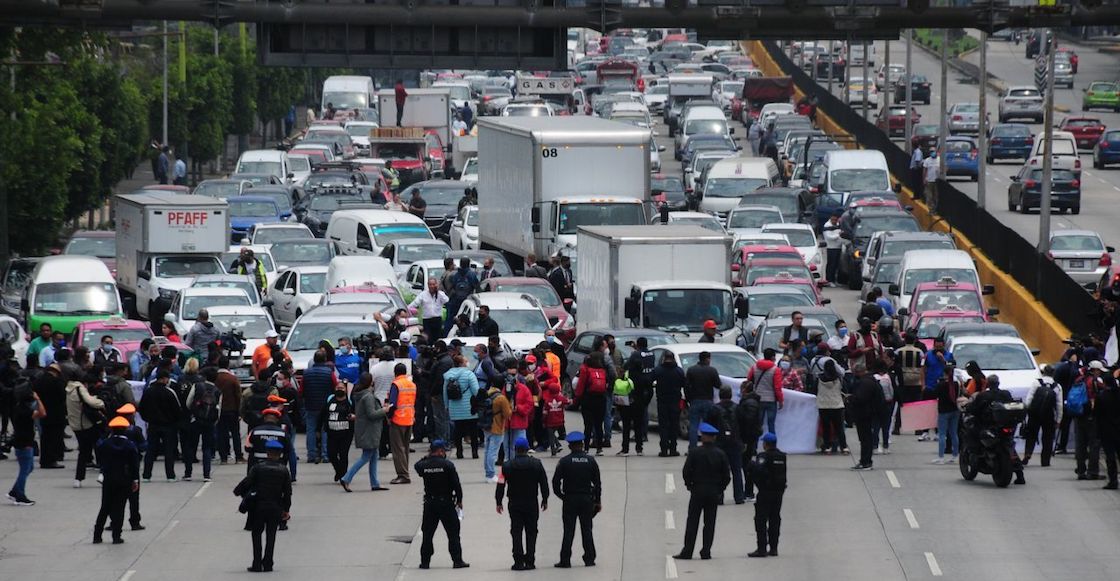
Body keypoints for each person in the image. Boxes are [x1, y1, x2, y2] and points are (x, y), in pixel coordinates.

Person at [674, 422, 731, 560]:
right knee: (710, 523)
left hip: (698, 490)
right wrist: (720, 489)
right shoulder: (720, 454)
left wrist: (690, 485)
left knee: (692, 522)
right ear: (714, 438)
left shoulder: (695, 452)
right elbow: (726, 476)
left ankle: (687, 551)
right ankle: (706, 551)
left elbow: (686, 471)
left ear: (703, 437)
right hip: (713, 492)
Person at [235, 439, 293, 573]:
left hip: (258, 507)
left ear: (267, 453)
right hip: (275, 507)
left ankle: (256, 563)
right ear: (280, 454)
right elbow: (288, 493)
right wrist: (286, 509)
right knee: (271, 535)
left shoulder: (258, 468)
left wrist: (242, 494)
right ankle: (268, 563)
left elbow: (246, 483)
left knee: (256, 534)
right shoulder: (284, 470)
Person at [496, 437, 550, 570]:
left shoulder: (506, 466)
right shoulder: (537, 464)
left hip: (514, 503)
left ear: (515, 450)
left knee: (516, 531)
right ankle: (530, 560)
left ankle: (518, 561)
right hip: (531, 502)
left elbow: (500, 484)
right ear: (527, 449)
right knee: (531, 531)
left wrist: (499, 501)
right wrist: (545, 499)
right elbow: (544, 483)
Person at [415, 440, 469, 569]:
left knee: (427, 534)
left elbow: (417, 466)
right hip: (446, 503)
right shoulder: (448, 465)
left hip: (430, 503)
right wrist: (460, 500)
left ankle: (425, 562)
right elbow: (456, 484)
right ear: (440, 451)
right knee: (453, 533)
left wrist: (428, 457)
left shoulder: (424, 465)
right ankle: (457, 560)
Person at [552, 431, 601, 568]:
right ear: (582, 444)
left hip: (570, 499)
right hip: (586, 499)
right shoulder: (590, 461)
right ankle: (589, 558)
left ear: (569, 446)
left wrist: (562, 496)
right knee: (587, 529)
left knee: (568, 530)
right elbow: (597, 483)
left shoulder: (564, 461)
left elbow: (555, 482)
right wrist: (597, 501)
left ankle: (565, 560)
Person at [92, 416, 140, 544]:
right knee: (120, 508)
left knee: (105, 507)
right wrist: (135, 480)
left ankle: (97, 535)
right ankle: (116, 536)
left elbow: (100, 457)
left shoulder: (105, 444)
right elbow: (134, 465)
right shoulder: (130, 445)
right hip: (124, 479)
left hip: (109, 479)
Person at [340, 373, 388, 492]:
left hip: (365, 429)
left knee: (374, 456)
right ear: (370, 382)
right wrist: (384, 410)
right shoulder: (368, 396)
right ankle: (346, 478)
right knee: (366, 456)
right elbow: (371, 414)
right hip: (370, 430)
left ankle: (375, 482)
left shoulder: (359, 395)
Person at [747, 433, 787, 558]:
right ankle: (774, 548)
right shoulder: (782, 456)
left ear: (765, 444)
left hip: (765, 491)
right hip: (779, 492)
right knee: (775, 519)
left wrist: (751, 466)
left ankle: (762, 548)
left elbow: (759, 470)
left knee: (761, 520)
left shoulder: (763, 456)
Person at [139, 370, 181, 481]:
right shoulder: (169, 392)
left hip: (153, 424)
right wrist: (174, 422)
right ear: (165, 379)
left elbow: (141, 408)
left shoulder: (148, 392)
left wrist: (147, 419)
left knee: (151, 450)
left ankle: (146, 475)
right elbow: (177, 410)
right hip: (168, 426)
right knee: (169, 451)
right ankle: (170, 475)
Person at [66, 372, 106, 488]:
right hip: (86, 424)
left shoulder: (68, 390)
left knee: (83, 452)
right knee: (101, 448)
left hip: (76, 425)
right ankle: (102, 474)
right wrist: (101, 402)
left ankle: (78, 479)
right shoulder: (80, 388)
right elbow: (91, 402)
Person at [7, 384, 45, 506]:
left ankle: (14, 491)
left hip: (20, 441)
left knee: (29, 468)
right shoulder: (26, 411)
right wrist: (38, 399)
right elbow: (42, 413)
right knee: (24, 470)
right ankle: (20, 496)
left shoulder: (17, 407)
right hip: (25, 442)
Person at [183, 367, 222, 481]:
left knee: (191, 446)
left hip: (196, 420)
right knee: (207, 448)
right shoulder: (218, 391)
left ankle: (188, 473)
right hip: (209, 422)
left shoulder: (197, 386)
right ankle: (206, 474)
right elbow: (219, 409)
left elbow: (188, 402)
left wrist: (193, 412)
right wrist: (214, 420)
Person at [444, 354, 481, 459]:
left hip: (455, 407)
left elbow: (445, 392)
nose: (467, 362)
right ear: (462, 363)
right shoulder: (469, 374)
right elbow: (476, 391)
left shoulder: (448, 375)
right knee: (473, 431)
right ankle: (474, 452)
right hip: (469, 407)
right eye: (465, 361)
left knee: (458, 430)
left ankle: (459, 452)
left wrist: (447, 405)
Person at [318, 380, 354, 482]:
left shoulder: (349, 402)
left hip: (346, 433)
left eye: (342, 388)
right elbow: (322, 414)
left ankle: (343, 475)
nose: (339, 390)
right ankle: (339, 471)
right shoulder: (330, 400)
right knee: (331, 454)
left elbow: (356, 413)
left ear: (346, 390)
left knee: (343, 454)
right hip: (332, 433)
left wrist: (353, 416)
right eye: (338, 388)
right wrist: (318, 429)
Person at [850, 367, 885, 470]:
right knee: (866, 438)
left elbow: (861, 398)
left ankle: (865, 462)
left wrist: (851, 398)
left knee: (865, 439)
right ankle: (865, 461)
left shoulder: (865, 383)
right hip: (870, 413)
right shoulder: (871, 381)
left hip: (864, 413)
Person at [684, 351, 721, 449]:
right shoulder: (712, 370)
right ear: (707, 359)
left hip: (695, 400)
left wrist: (689, 399)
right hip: (708, 400)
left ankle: (692, 448)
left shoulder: (691, 370)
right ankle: (708, 446)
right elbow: (718, 385)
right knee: (708, 425)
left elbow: (686, 386)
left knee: (693, 426)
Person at [388, 363, 417, 484]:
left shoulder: (396, 384)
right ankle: (405, 471)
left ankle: (403, 475)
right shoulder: (412, 384)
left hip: (398, 419)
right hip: (409, 418)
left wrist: (389, 417)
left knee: (398, 449)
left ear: (395, 372)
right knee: (405, 448)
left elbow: (392, 404)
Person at [1023, 377, 1063, 467]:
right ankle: (1045, 460)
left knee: (1031, 434)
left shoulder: (1036, 383)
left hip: (1034, 413)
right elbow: (1059, 405)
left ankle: (1028, 453)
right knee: (1048, 438)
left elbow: (1029, 399)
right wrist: (1058, 420)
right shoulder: (1057, 387)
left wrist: (1027, 411)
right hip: (1049, 415)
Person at [575, 352, 610, 455]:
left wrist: (577, 399)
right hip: (601, 400)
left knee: (588, 425)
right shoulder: (602, 371)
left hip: (588, 399)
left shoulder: (585, 370)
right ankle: (599, 448)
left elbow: (580, 386)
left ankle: (586, 448)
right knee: (599, 425)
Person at [33, 363, 67, 468]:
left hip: (43, 410)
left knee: (45, 437)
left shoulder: (39, 380)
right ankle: (51, 459)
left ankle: (45, 460)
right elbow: (62, 395)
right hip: (56, 413)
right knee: (54, 437)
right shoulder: (56, 381)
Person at [654, 351, 686, 457]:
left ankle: (664, 449)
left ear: (664, 358)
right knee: (674, 425)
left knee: (663, 426)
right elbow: (684, 384)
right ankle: (673, 449)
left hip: (662, 401)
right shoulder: (679, 371)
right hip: (675, 401)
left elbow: (650, 380)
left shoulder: (658, 370)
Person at [482, 377, 514, 482]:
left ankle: (488, 473)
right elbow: (507, 414)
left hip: (486, 425)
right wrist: (510, 404)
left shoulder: (487, 393)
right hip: (497, 426)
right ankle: (491, 475)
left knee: (487, 451)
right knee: (493, 452)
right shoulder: (501, 398)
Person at [746, 349, 784, 435]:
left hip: (758, 398)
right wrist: (781, 400)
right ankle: (772, 441)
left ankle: (756, 441)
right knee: (771, 424)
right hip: (771, 400)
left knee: (758, 424)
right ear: (773, 357)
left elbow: (749, 380)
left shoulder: (754, 367)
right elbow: (777, 387)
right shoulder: (776, 369)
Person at [930, 365, 961, 465]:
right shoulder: (956, 384)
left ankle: (941, 457)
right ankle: (955, 455)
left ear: (944, 373)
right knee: (954, 433)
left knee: (942, 434)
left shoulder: (941, 385)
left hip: (943, 411)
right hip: (955, 410)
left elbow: (934, 395)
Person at [1095, 373, 1120, 489]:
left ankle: (1113, 481)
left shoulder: (1101, 396)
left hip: (1106, 431)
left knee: (1110, 456)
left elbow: (1097, 414)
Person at [444, 258, 479, 333]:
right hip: (468, 301)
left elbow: (451, 287)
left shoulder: (455, 275)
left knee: (451, 320)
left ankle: (448, 334)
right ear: (468, 264)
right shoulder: (472, 274)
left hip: (455, 301)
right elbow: (477, 286)